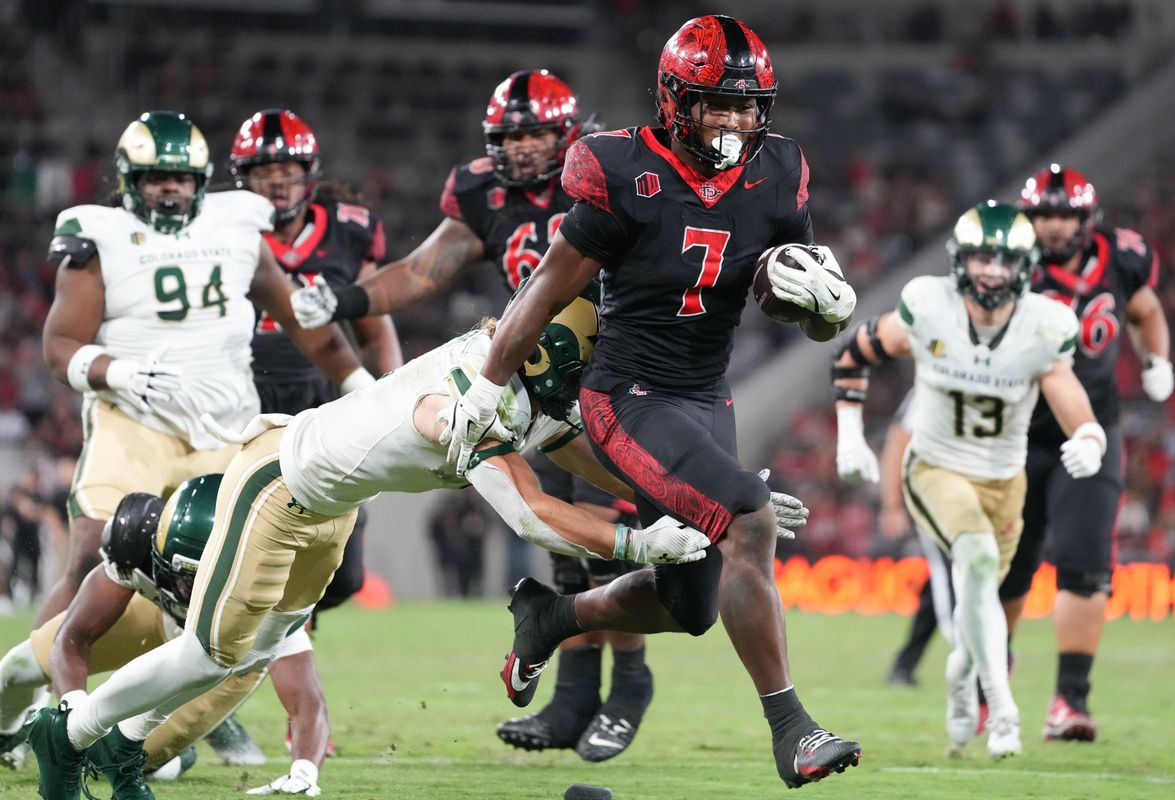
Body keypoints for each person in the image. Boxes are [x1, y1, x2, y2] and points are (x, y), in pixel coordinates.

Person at [22, 295, 740, 800]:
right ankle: (71, 730)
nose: (590, 389)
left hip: (331, 509)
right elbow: (530, 513)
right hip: (277, 482)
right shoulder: (463, 402)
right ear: (552, 359)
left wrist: (700, 488)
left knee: (262, 648)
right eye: (584, 372)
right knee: (214, 652)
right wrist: (638, 539)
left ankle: (120, 752)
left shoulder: (514, 384)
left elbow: (578, 452)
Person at [437, 15, 860, 788]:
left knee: (691, 602)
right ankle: (793, 728)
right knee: (748, 520)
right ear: (675, 100)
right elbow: (543, 290)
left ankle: (553, 618)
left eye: (746, 105)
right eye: (716, 104)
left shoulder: (779, 171)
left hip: (706, 396)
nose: (734, 121)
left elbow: (776, 285)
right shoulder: (622, 166)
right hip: (626, 394)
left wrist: (816, 308)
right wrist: (487, 387)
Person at [288, 71, 655, 760]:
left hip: (620, 361)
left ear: (566, 130)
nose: (521, 147)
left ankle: (630, 683)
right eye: (511, 135)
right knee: (565, 546)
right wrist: (347, 301)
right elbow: (424, 271)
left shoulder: (601, 169)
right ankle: (575, 695)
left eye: (536, 132)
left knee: (610, 524)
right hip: (546, 374)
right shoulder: (483, 192)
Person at [36, 110, 369, 632]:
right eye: (155, 178)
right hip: (133, 421)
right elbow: (59, 348)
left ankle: (199, 706)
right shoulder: (100, 239)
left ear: (200, 180)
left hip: (225, 424)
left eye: (181, 177)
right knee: (92, 549)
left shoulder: (236, 227)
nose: (169, 189)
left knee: (222, 574)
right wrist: (117, 373)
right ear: (130, 181)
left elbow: (298, 320)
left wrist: (357, 383)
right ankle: (34, 685)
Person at [833, 201, 1107, 759]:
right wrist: (848, 434)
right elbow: (851, 354)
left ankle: (962, 672)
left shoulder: (1044, 323)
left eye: (1004, 261)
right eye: (982, 257)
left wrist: (1090, 438)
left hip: (1004, 480)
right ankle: (1003, 709)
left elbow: (1070, 396)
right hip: (935, 467)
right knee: (978, 561)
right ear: (961, 260)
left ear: (1026, 266)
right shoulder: (928, 305)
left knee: (979, 595)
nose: (991, 271)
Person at [230, 107, 404, 759]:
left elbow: (373, 315)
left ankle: (278, 687)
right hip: (242, 403)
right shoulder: (222, 230)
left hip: (329, 401)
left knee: (339, 574)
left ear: (310, 175)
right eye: (264, 171)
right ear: (242, 178)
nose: (277, 183)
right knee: (239, 564)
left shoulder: (350, 230)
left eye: (288, 170)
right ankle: (271, 709)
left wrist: (391, 394)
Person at [0, 476, 330, 797]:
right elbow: (74, 636)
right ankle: (6, 736)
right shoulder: (137, 543)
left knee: (108, 760)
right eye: (189, 577)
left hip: (220, 661)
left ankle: (178, 756)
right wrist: (73, 708)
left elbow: (306, 700)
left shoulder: (268, 594)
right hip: (153, 615)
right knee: (17, 666)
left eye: (210, 578)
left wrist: (304, 770)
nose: (195, 592)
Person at [999, 165, 1173, 742]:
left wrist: (1158, 361)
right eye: (1043, 215)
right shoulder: (1008, 262)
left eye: (1062, 214)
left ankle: (1069, 701)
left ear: (1085, 217)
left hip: (1093, 429)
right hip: (1018, 430)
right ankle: (991, 671)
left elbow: (1146, 310)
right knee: (1008, 567)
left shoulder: (1121, 257)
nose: (1051, 226)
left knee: (1085, 565)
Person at [879, 393, 956, 688]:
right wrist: (891, 504)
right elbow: (900, 438)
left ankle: (905, 664)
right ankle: (972, 658)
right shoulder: (934, 381)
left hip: (981, 496)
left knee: (941, 582)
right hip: (936, 497)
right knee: (949, 573)